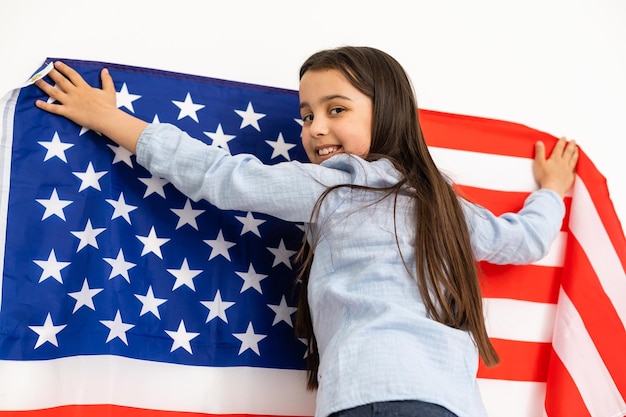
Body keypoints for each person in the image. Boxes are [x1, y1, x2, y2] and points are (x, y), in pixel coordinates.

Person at [34, 46, 578, 417]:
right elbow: (522, 240)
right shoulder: (445, 204)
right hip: (452, 403)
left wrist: (111, 120)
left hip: (371, 396)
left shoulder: (341, 185)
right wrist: (551, 191)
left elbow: (223, 176)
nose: (314, 127)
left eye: (335, 109)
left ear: (387, 112)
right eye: (305, 114)